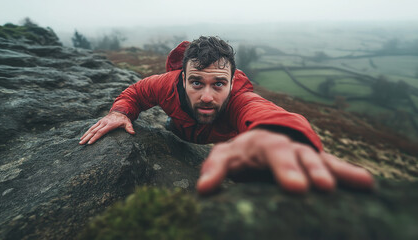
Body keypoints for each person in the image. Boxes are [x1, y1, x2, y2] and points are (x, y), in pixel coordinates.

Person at [80, 36, 373, 195]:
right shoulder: (163, 84)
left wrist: (280, 137)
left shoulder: (239, 101)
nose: (207, 96)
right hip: (179, 129)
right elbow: (136, 93)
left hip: (221, 140)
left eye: (218, 84)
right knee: (173, 127)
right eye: (196, 82)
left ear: (232, 83)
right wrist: (119, 112)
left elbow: (265, 112)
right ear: (182, 79)